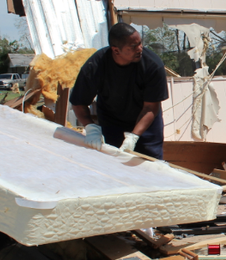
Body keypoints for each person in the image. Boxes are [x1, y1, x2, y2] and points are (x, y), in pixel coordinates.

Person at [70, 22, 169, 159]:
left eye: (140, 43)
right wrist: (91, 128)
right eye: (134, 46)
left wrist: (133, 137)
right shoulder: (95, 66)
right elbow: (78, 102)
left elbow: (151, 107)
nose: (140, 48)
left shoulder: (153, 65)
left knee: (150, 167)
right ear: (116, 50)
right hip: (112, 124)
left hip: (146, 127)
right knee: (113, 166)